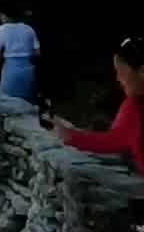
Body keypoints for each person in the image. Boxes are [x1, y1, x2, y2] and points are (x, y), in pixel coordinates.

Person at [52, 37, 144, 175]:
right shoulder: (133, 106)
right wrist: (71, 136)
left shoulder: (135, 108)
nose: (118, 78)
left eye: (122, 71)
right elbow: (116, 139)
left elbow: (113, 141)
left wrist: (70, 136)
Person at [0, 2, 41, 102]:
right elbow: (37, 53)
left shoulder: (0, 30)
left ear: (5, 16)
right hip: (28, 68)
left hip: (10, 68)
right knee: (28, 100)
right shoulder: (29, 29)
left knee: (8, 99)